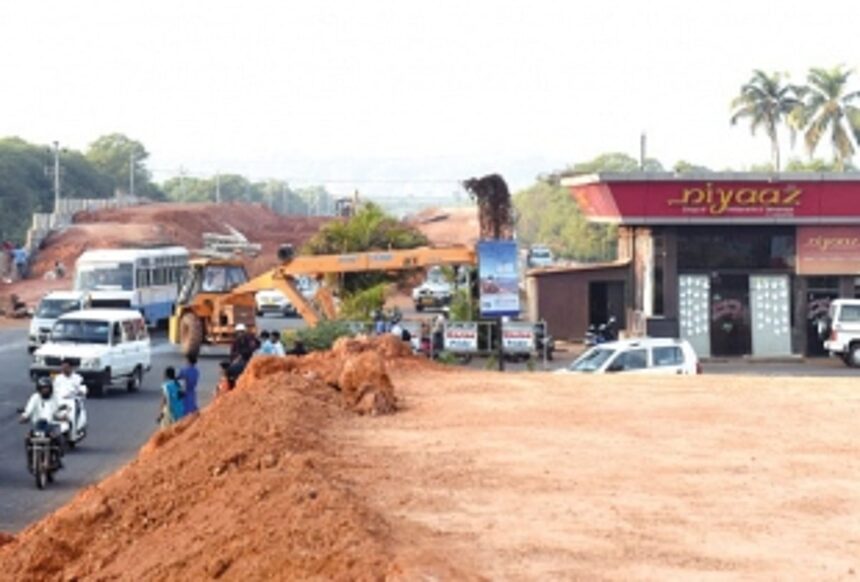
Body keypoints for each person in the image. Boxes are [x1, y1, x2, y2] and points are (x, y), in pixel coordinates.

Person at [20, 377, 65, 466]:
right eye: (43, 388)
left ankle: (57, 459)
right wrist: (24, 417)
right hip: (38, 426)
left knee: (58, 439)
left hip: (51, 426)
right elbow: (29, 410)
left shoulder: (55, 398)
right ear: (39, 389)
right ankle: (30, 460)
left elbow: (59, 410)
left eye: (47, 388)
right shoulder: (35, 398)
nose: (45, 390)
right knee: (27, 439)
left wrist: (63, 416)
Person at [53, 359, 87, 436]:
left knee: (71, 414)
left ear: (71, 368)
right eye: (63, 367)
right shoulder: (57, 378)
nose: (64, 369)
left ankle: (74, 433)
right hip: (59, 400)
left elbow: (83, 389)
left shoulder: (78, 378)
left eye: (66, 367)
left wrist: (80, 392)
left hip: (72, 400)